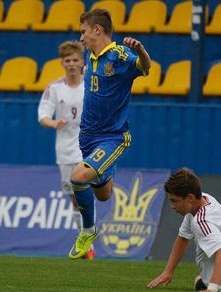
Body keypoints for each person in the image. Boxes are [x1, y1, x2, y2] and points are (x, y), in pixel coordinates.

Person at [68, 8, 151, 260]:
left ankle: (88, 230)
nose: (80, 38)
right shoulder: (91, 58)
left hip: (112, 136)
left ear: (97, 29)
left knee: (77, 178)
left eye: (83, 32)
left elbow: (145, 68)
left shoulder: (119, 55)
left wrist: (141, 51)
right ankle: (105, 166)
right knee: (103, 196)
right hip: (87, 136)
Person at [38, 40, 96, 259]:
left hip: (88, 147)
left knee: (87, 192)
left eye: (75, 60)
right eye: (68, 60)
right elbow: (43, 115)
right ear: (62, 63)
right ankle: (85, 241)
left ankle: (88, 241)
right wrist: (52, 123)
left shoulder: (90, 85)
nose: (72, 64)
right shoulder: (55, 88)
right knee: (75, 199)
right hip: (64, 151)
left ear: (82, 62)